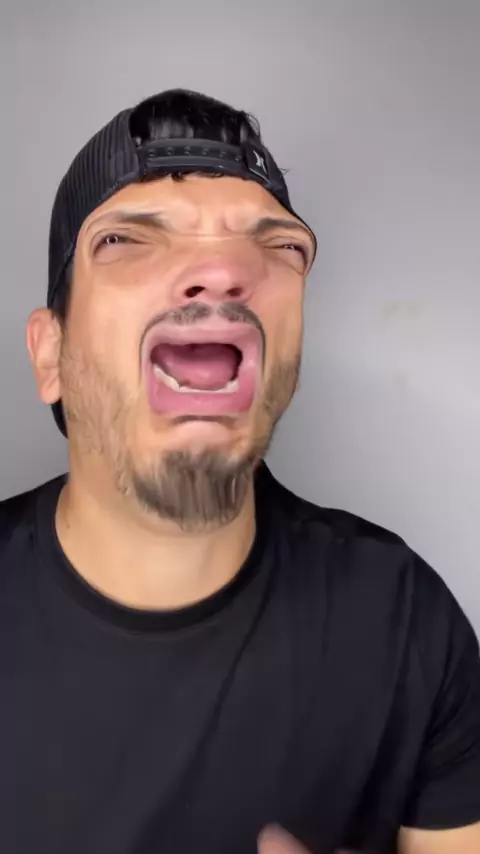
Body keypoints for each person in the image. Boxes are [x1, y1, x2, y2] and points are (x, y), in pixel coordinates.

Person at [1, 89, 479, 854]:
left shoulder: (405, 621)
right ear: (49, 354)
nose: (225, 270)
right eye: (125, 240)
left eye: (279, 247)